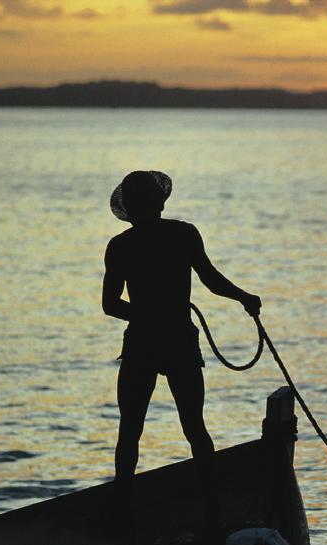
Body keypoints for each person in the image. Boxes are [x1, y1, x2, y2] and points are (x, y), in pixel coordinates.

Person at [102, 170, 261, 544]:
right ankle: (211, 516)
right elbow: (210, 279)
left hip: (150, 342)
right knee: (188, 430)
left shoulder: (125, 245)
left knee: (135, 431)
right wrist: (243, 297)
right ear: (157, 203)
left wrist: (243, 297)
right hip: (169, 341)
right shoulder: (179, 234)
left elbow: (112, 305)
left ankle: (126, 521)